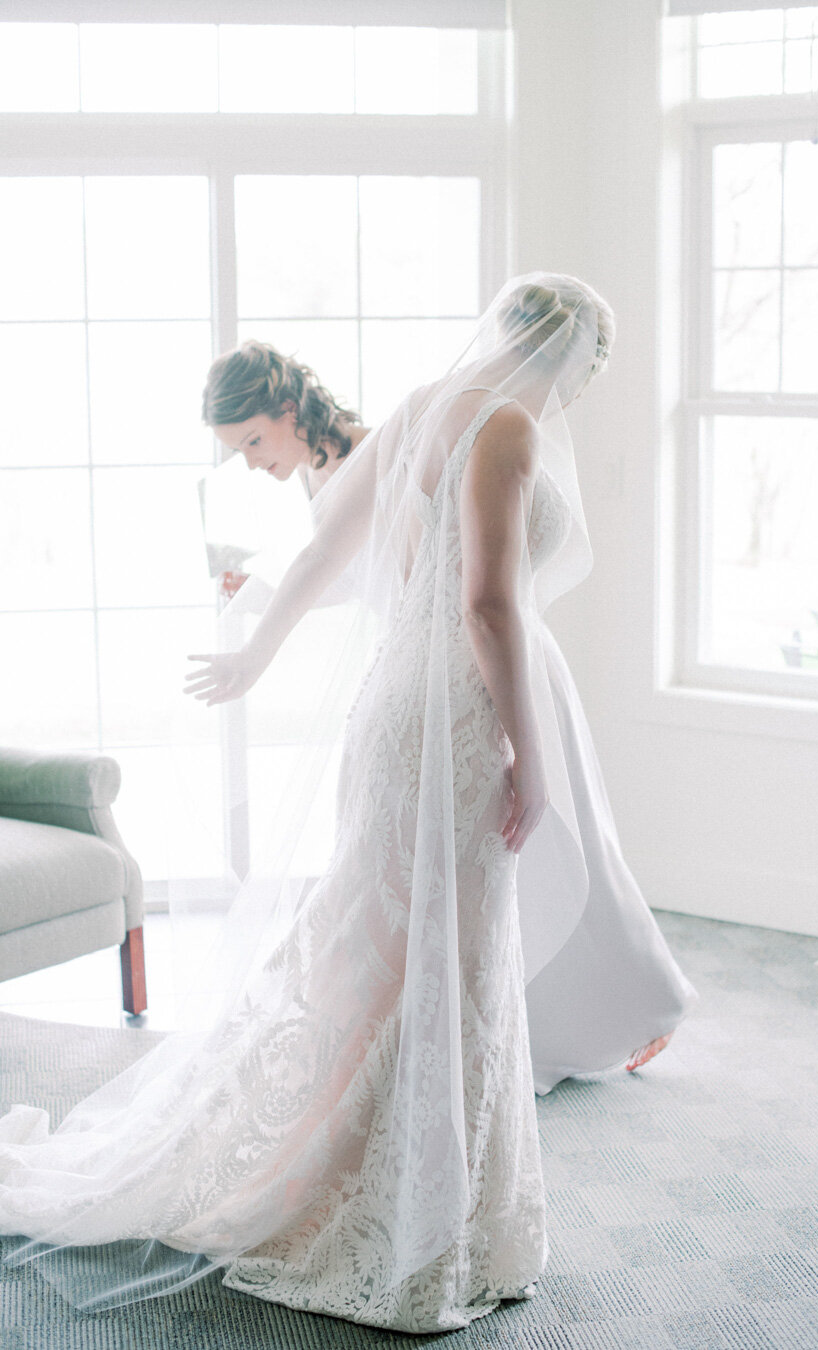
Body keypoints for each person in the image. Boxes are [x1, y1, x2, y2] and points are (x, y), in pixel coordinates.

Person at [0, 272, 698, 1334]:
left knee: (382, 953)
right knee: (440, 958)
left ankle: (378, 1184)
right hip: (455, 713)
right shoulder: (507, 426)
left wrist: (255, 656)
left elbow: (329, 548)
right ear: (565, 357)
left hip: (395, 710)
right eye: (585, 373)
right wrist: (532, 754)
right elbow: (489, 602)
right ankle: (403, 1212)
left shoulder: (424, 406)